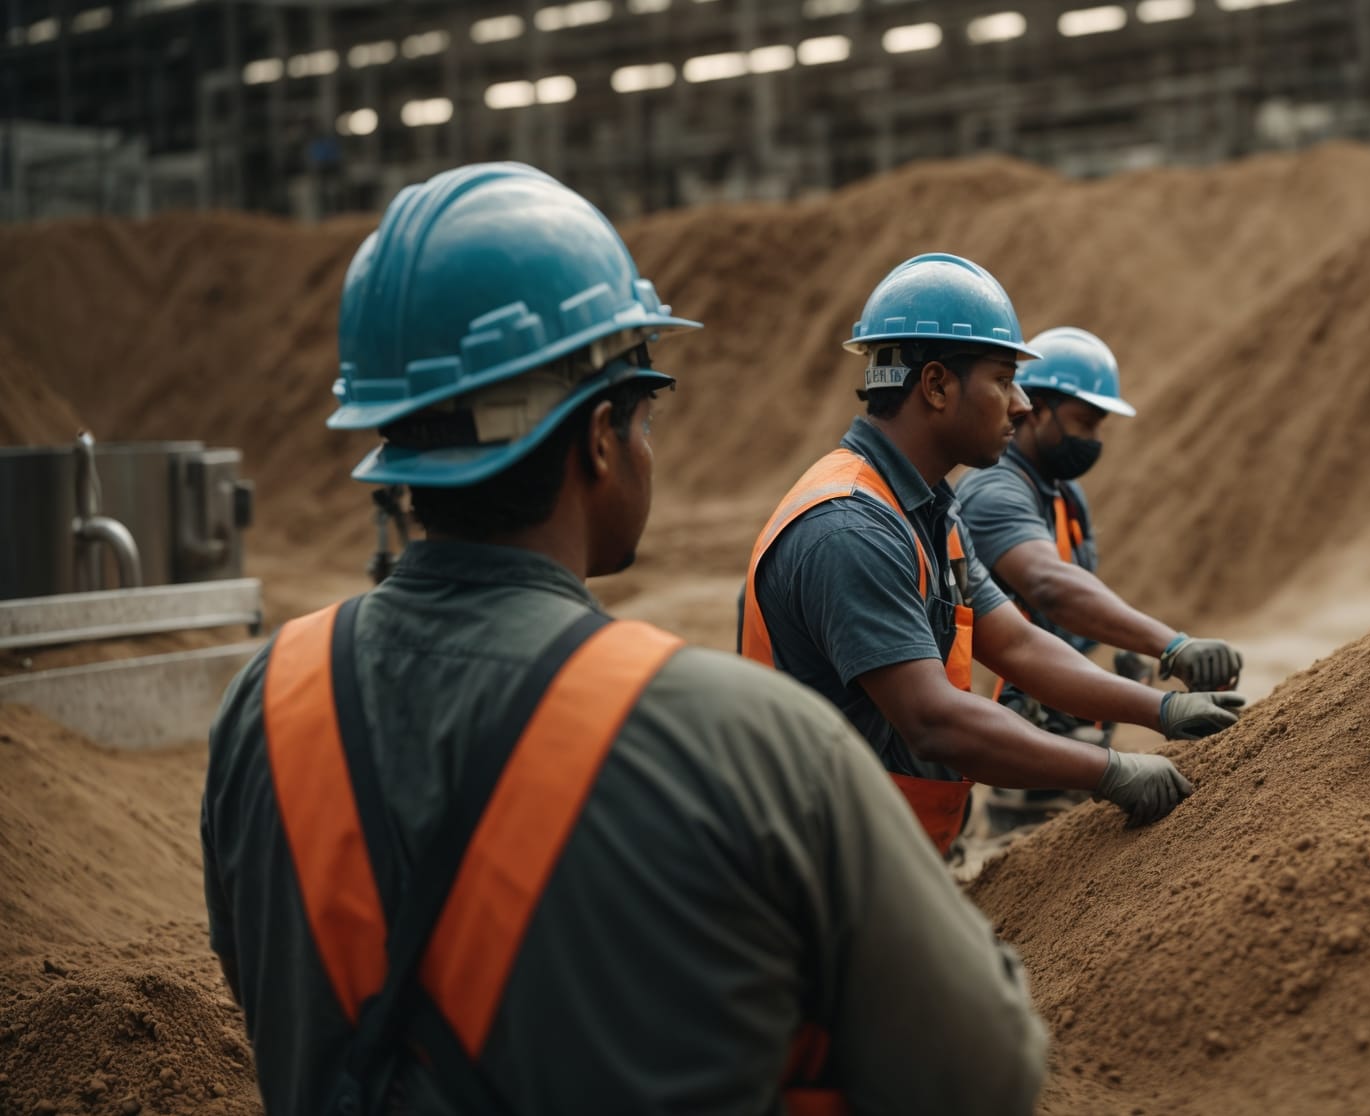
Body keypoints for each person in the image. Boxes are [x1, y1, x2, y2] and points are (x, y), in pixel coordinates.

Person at [201, 166, 1044, 1116]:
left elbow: (266, 980)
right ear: (601, 437)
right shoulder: (746, 742)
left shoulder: (265, 704)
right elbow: (988, 1072)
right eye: (646, 414)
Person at [739, 253, 1244, 857]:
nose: (1022, 403)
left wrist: (1164, 708)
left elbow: (1017, 644)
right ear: (935, 385)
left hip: (881, 847)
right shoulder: (851, 529)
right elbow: (934, 720)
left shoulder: (927, 511)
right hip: (814, 863)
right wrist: (1108, 770)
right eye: (1004, 379)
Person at [956, 326, 1244, 827]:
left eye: (1099, 426)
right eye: (1083, 423)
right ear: (1036, 407)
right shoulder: (995, 492)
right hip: (1023, 733)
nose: (1092, 440)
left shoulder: (1062, 494)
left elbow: (1071, 614)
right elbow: (1049, 586)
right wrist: (1172, 646)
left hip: (1071, 718)